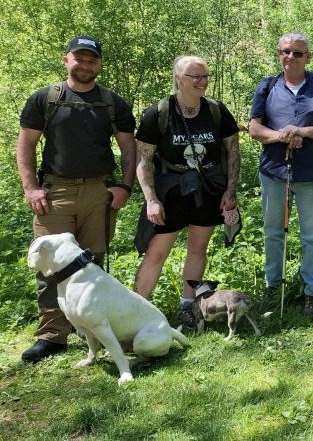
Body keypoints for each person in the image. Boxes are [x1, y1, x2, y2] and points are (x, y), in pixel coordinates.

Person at [17, 36, 137, 363]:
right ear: (66, 59)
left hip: (100, 192)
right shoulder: (45, 99)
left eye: (92, 60)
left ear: (99, 64)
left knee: (91, 264)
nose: (85, 65)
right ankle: (52, 335)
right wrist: (31, 188)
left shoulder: (112, 103)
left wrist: (124, 187)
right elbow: (26, 144)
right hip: (53, 193)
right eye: (79, 59)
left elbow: (129, 147)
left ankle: (89, 327)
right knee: (49, 266)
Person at [133, 56, 241, 328]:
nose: (202, 82)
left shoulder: (216, 111)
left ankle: (189, 307)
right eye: (195, 76)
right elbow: (144, 160)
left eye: (205, 76)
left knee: (197, 249)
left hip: (208, 190)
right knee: (156, 253)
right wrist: (151, 200)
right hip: (171, 192)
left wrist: (231, 191)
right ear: (178, 79)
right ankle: (133, 310)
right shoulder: (158, 113)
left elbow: (233, 151)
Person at [249, 32, 313, 316]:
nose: (290, 57)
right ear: (279, 54)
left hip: (312, 172)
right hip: (274, 171)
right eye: (285, 51)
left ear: (307, 57)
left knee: (312, 234)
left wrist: (302, 131)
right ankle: (273, 287)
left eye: (297, 53)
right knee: (273, 232)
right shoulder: (267, 85)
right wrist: (283, 135)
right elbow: (254, 129)